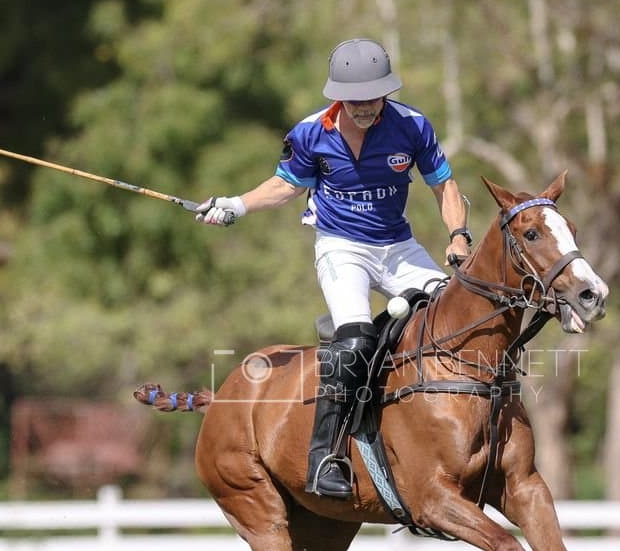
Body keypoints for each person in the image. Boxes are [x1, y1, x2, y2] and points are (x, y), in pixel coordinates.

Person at [199, 38, 471, 500]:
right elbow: (285, 187)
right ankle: (326, 454)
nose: (365, 107)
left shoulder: (412, 126)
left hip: (399, 247)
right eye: (355, 100)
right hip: (342, 247)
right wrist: (235, 205)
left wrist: (459, 235)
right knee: (354, 341)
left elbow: (443, 185)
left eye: (373, 97)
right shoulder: (310, 133)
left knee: (456, 318)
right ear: (337, 96)